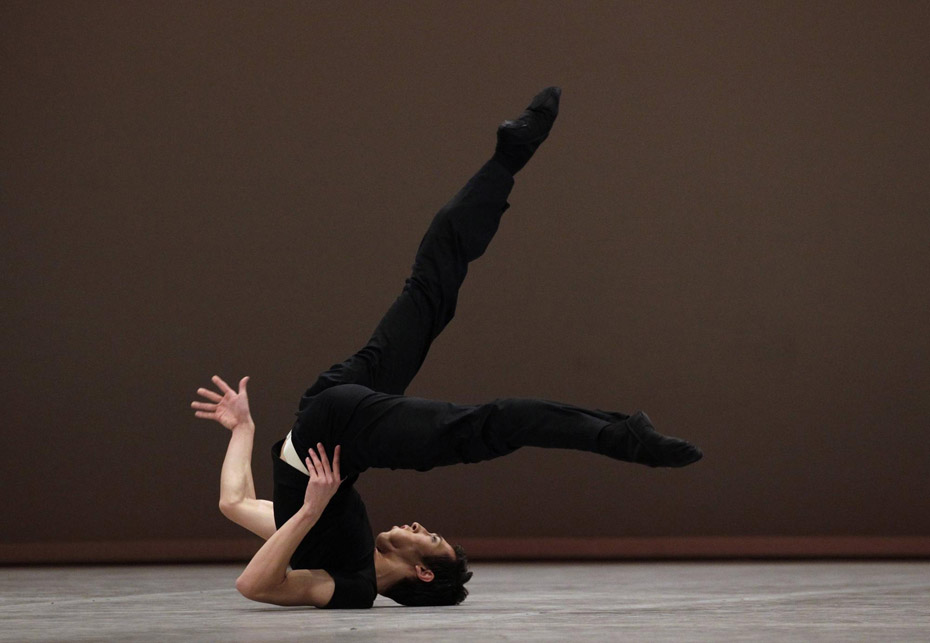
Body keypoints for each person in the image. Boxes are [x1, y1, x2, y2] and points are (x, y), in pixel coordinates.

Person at [192, 87, 703, 610]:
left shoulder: (353, 587)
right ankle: (508, 157)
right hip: (337, 413)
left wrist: (285, 483)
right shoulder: (348, 543)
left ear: (422, 573)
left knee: (483, 426)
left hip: (334, 423)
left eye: (429, 539)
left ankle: (623, 438)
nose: (419, 526)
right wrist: (271, 459)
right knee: (430, 291)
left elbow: (250, 574)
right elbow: (241, 506)